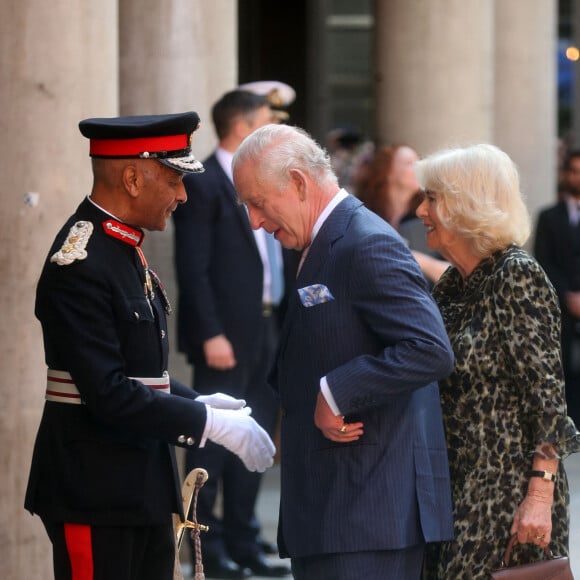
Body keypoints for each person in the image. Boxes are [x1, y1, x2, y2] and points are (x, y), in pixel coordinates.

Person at [24, 112, 276, 580]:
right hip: (93, 490)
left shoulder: (123, 249)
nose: (182, 195)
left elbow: (141, 373)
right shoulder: (80, 262)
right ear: (133, 178)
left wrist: (197, 399)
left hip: (139, 485)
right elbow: (108, 392)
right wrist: (207, 423)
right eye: (174, 179)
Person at [232, 124, 456, 580]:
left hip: (367, 515)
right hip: (334, 511)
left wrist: (336, 390)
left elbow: (431, 349)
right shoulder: (323, 239)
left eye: (257, 203)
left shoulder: (364, 241)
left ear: (298, 182)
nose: (254, 221)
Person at [414, 143, 580, 578]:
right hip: (453, 485)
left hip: (507, 493)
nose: (420, 210)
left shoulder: (516, 274)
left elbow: (547, 401)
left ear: (465, 205)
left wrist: (539, 499)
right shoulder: (453, 284)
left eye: (431, 198)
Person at [173, 92, 292, 579]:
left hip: (265, 324)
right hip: (224, 336)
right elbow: (193, 268)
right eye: (267, 121)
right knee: (211, 446)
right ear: (243, 128)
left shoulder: (254, 180)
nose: (275, 128)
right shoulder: (204, 182)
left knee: (256, 435)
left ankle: (244, 540)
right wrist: (210, 333)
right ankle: (207, 548)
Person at [356, 143, 449, 285]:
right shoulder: (364, 216)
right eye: (409, 163)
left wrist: (414, 258)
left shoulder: (429, 217)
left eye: (419, 162)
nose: (419, 168)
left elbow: (456, 273)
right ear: (387, 171)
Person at [535, 149, 580, 427]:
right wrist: (568, 296)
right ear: (565, 175)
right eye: (574, 171)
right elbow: (544, 261)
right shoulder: (549, 217)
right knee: (562, 366)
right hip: (561, 307)